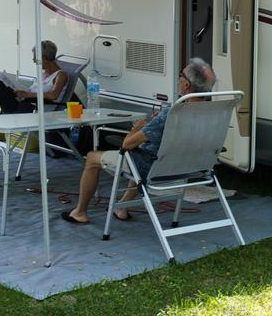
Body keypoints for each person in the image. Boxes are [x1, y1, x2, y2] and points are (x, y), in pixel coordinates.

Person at [62, 58, 216, 225]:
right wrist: (152, 128)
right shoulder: (211, 113)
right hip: (191, 167)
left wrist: (139, 127)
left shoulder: (172, 113)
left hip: (156, 168)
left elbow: (126, 145)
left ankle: (80, 212)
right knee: (142, 152)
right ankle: (121, 207)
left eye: (181, 75)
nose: (178, 78)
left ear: (186, 85)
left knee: (93, 158)